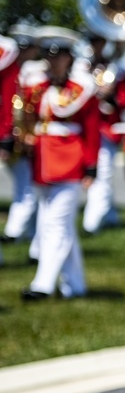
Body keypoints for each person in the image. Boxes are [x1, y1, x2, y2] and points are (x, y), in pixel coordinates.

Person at [19, 27, 99, 300]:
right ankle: (75, 285)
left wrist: (91, 166)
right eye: (50, 56)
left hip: (69, 163)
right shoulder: (36, 87)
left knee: (54, 223)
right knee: (59, 225)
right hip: (42, 162)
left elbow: (91, 129)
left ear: (69, 58)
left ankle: (42, 284)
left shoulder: (81, 89)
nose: (54, 62)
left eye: (60, 56)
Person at [80, 29, 125, 234]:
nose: (96, 46)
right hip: (86, 128)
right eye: (93, 41)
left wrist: (110, 96)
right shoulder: (80, 68)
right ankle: (109, 216)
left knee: (103, 174)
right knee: (99, 173)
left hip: (106, 129)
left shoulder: (117, 70)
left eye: (99, 41)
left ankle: (90, 224)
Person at [1, 25, 39, 250]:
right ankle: (16, 232)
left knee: (29, 189)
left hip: (29, 139)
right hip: (16, 139)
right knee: (26, 188)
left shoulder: (35, 73)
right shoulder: (13, 72)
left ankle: (18, 232)